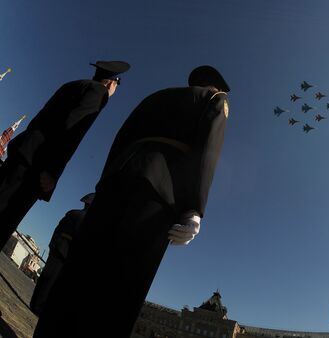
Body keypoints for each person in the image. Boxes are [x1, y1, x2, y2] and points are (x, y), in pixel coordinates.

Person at [34, 65, 231, 338]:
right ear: (215, 87)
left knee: (80, 272)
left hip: (116, 181)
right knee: (124, 288)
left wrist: (103, 185)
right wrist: (195, 208)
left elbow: (120, 139)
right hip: (159, 192)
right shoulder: (215, 101)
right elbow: (207, 151)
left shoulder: (156, 96)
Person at [0, 61, 130, 249]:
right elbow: (72, 130)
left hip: (23, 152)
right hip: (36, 166)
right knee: (5, 218)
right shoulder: (98, 93)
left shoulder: (73, 85)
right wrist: (52, 170)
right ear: (111, 83)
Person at [29, 192, 95, 316]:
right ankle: (38, 307)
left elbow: (57, 231)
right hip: (64, 253)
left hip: (57, 249)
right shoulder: (84, 220)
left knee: (46, 278)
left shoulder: (72, 213)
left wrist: (52, 246)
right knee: (51, 282)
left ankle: (35, 304)